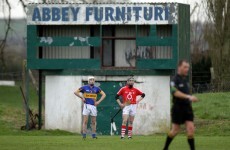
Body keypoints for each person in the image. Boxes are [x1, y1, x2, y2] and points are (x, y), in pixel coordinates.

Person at [163, 60, 199, 150]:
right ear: (179, 67)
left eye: (188, 67)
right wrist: (189, 97)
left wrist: (190, 99)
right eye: (185, 67)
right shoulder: (174, 80)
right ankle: (165, 148)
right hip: (178, 108)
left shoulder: (185, 80)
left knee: (191, 130)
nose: (187, 69)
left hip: (187, 108)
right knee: (175, 130)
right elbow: (174, 92)